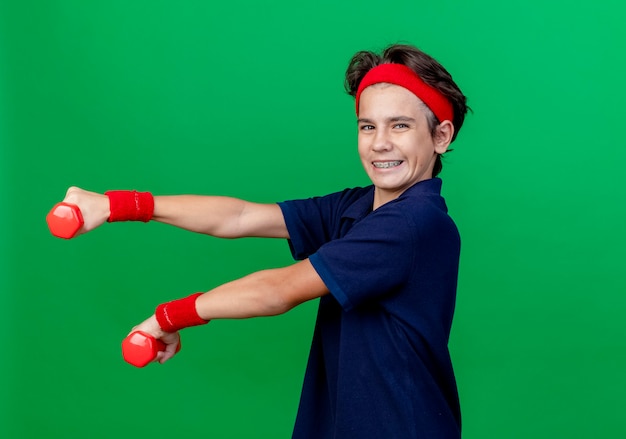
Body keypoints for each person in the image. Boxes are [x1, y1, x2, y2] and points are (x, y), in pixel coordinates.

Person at [59, 43, 469, 438]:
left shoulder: (414, 223)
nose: (380, 142)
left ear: (440, 136)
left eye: (400, 125)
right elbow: (240, 216)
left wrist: (167, 318)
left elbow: (281, 289)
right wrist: (116, 205)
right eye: (368, 126)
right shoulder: (359, 208)